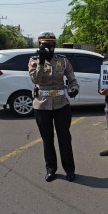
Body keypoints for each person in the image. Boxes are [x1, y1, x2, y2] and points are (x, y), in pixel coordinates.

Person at [28, 31, 79, 182]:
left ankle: (69, 169)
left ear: (55, 46)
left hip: (61, 104)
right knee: (47, 139)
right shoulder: (34, 60)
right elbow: (35, 79)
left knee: (64, 138)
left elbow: (72, 79)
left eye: (51, 45)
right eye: (45, 45)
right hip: (42, 106)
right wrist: (42, 62)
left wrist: (74, 88)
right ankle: (51, 169)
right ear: (40, 45)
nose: (48, 48)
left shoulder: (63, 61)